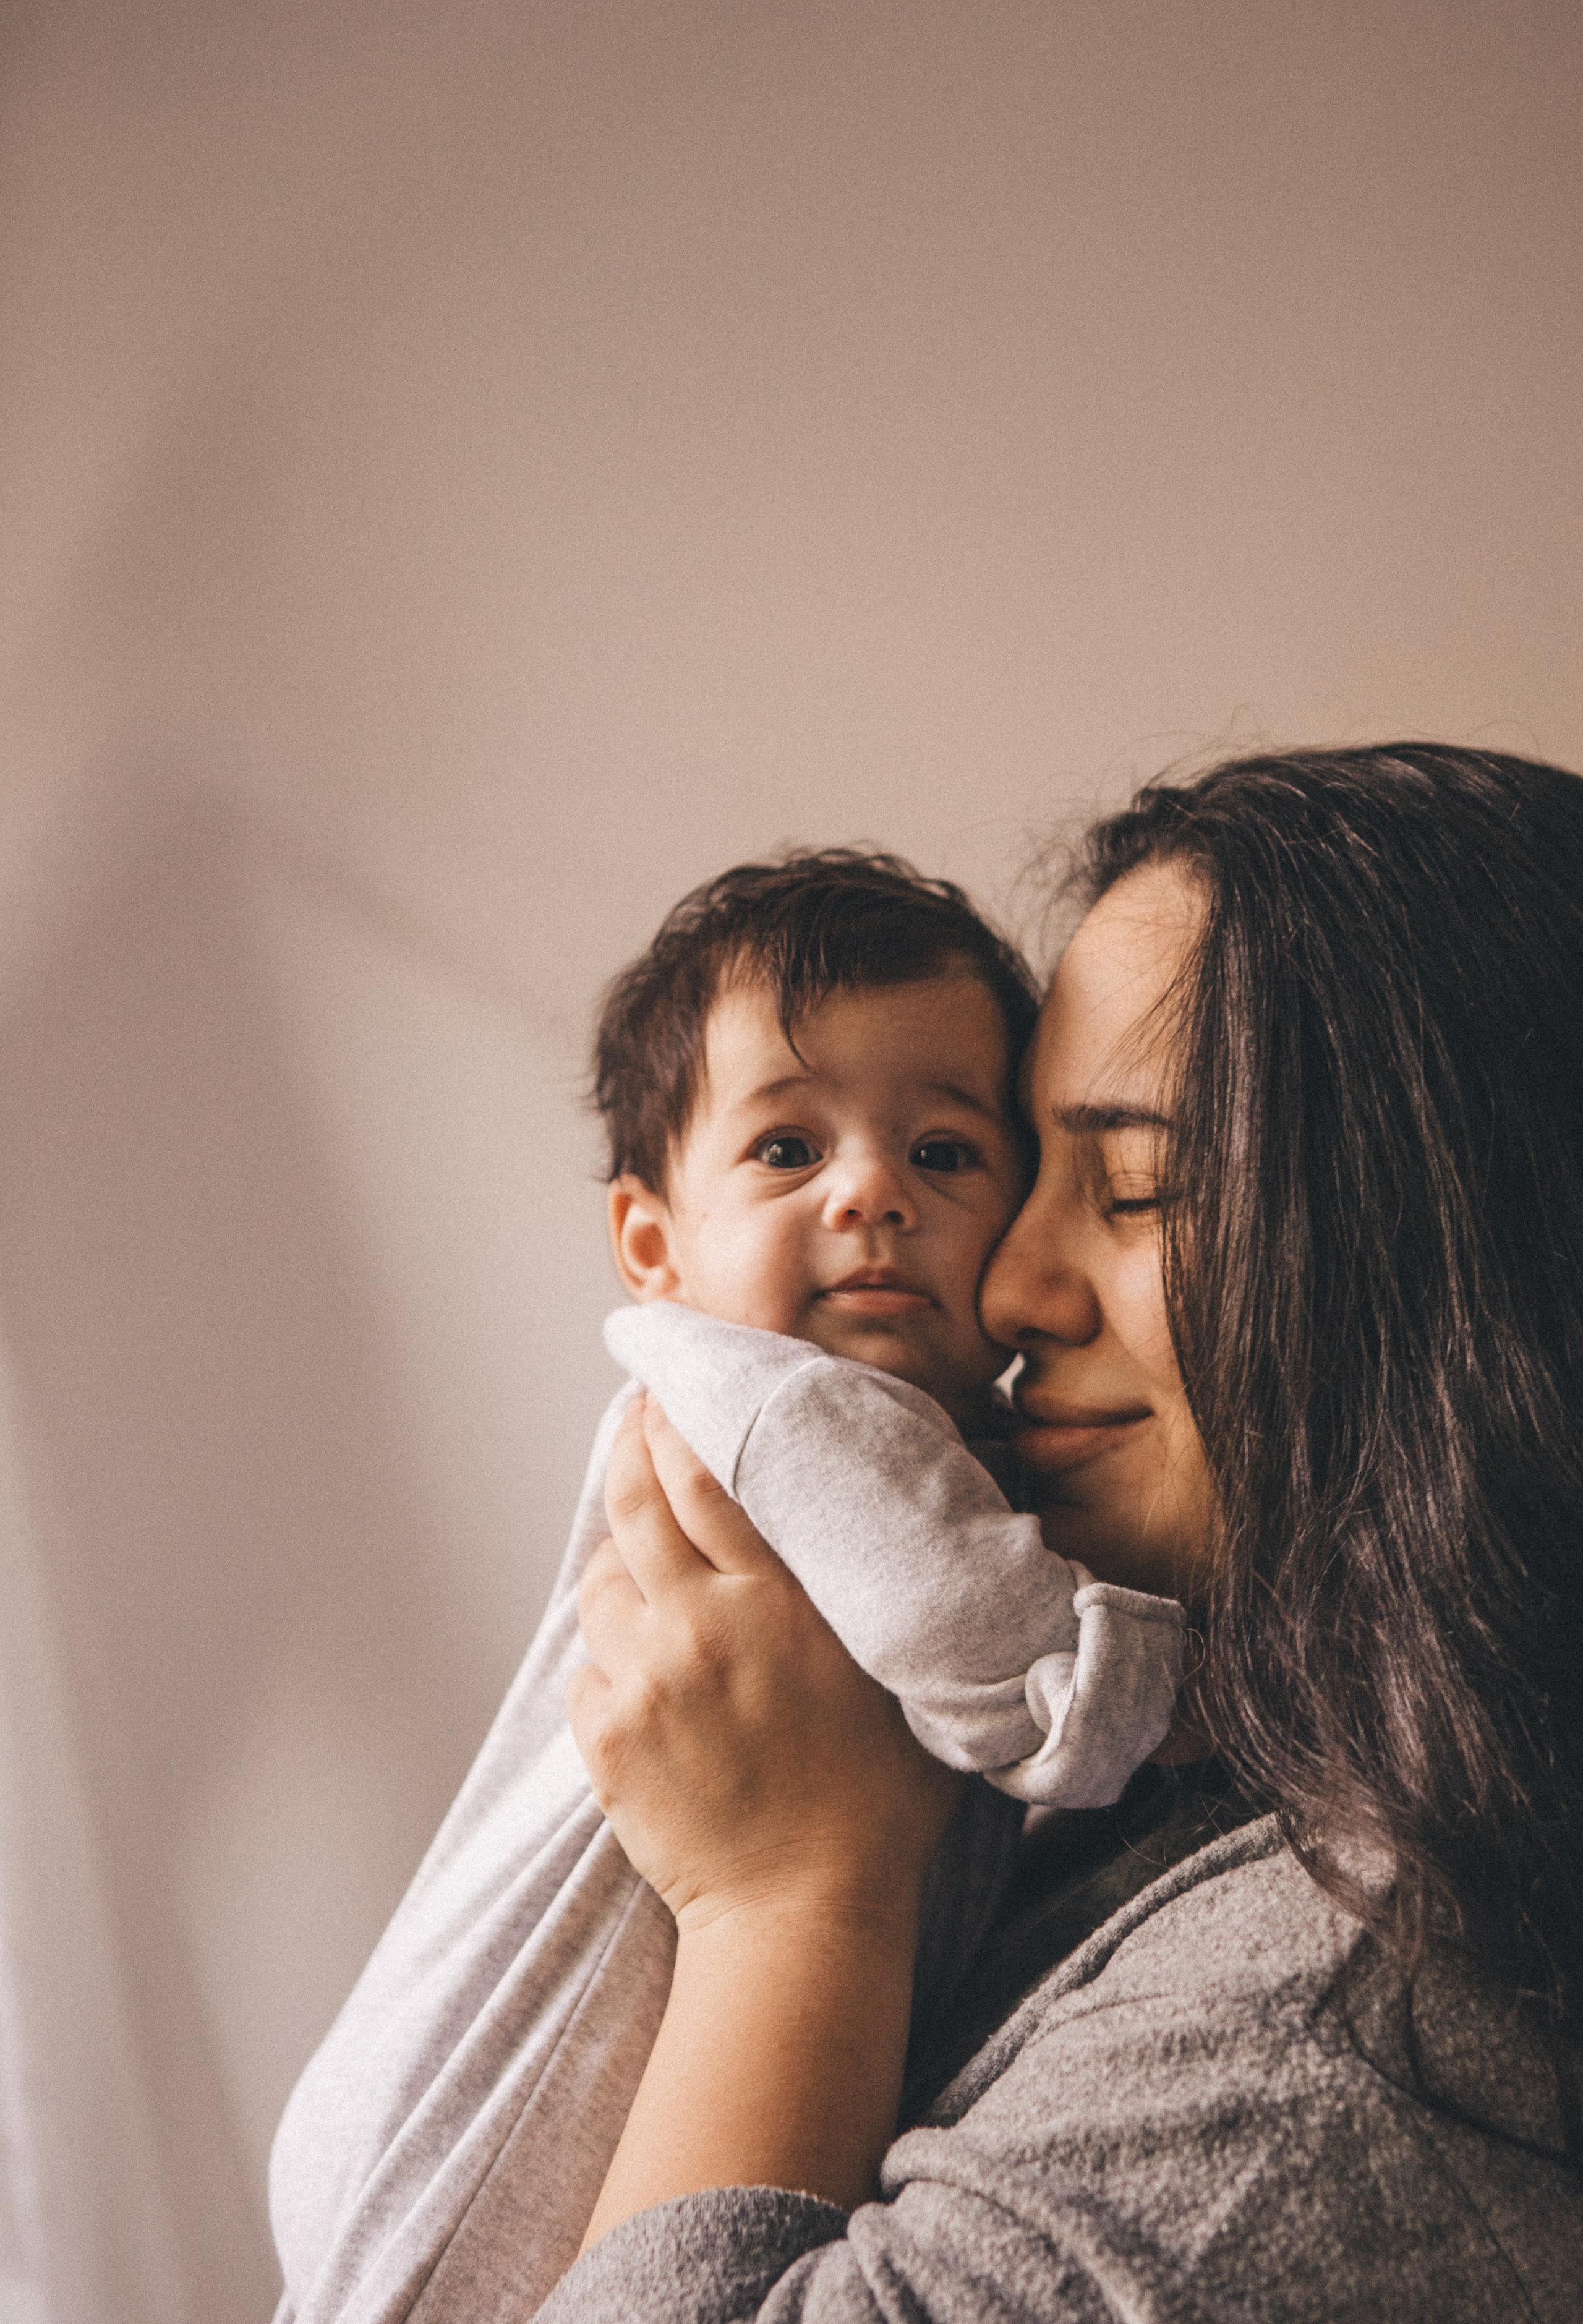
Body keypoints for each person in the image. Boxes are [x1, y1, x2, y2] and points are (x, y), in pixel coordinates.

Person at [543, 745, 1583, 2321]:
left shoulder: (1358, 2060)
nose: (1009, 1293)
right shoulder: (1275, 1760)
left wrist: (791, 1899)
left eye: (1139, 1186)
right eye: (1026, 1175)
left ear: (1461, 1257)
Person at [267, 852, 1182, 2324]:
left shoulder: (957, 1441)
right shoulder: (767, 1402)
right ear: (653, 1245)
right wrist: (1140, 1693)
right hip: (502, 2117)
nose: (869, 1191)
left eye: (944, 1153)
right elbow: (980, 1639)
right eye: (784, 1150)